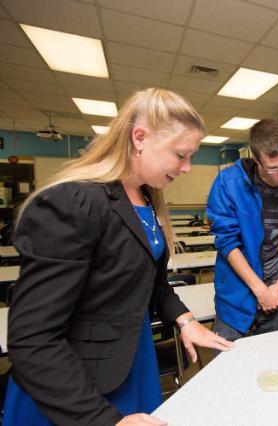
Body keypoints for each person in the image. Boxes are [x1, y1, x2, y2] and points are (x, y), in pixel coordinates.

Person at [4, 88, 233, 426]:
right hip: (76, 390)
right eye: (181, 155)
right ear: (140, 138)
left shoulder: (145, 197)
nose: (187, 168)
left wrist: (185, 320)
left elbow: (149, 281)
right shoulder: (74, 202)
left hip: (129, 357)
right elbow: (33, 338)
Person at [206, 119, 278, 350]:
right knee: (229, 372)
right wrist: (260, 290)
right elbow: (227, 242)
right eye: (273, 168)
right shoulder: (228, 183)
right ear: (256, 160)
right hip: (237, 295)